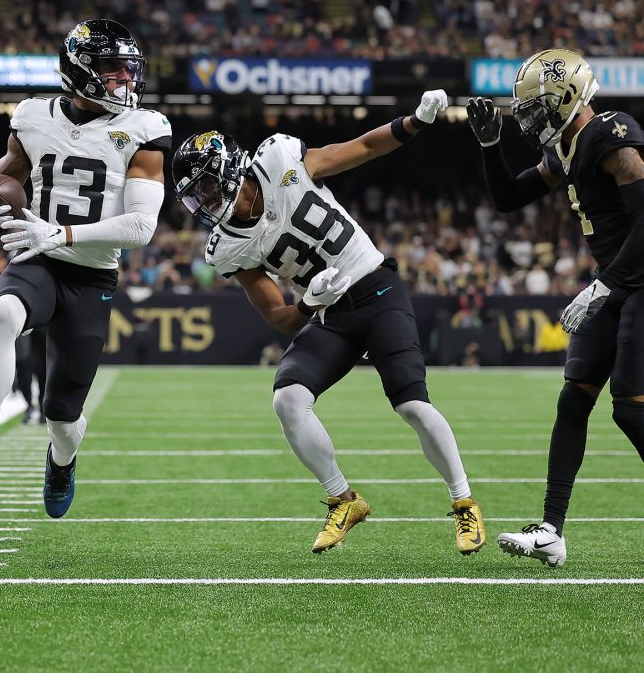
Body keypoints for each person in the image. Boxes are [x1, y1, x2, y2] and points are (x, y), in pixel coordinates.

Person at [172, 89, 486, 556]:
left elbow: (361, 148)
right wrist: (309, 304)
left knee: (412, 406)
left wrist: (414, 121)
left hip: (376, 288)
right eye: (196, 196)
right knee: (288, 400)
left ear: (229, 169)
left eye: (205, 187)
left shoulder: (280, 160)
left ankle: (464, 503)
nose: (204, 202)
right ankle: (344, 500)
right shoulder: (228, 246)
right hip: (329, 311)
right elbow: (279, 318)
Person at [0, 19, 171, 519]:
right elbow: (3, 179)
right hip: (37, 258)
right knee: (3, 314)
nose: (124, 79)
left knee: (62, 418)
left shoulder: (145, 130)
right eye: (112, 69)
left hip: (91, 275)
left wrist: (62, 233)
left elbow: (140, 227)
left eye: (127, 68)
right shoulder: (32, 116)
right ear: (80, 70)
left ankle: (62, 462)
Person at [469, 49, 644, 567]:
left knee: (631, 406)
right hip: (617, 283)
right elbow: (507, 197)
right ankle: (551, 529)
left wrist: (604, 286)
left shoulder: (610, 135)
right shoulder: (564, 149)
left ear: (567, 99)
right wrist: (490, 146)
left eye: (535, 109)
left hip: (637, 282)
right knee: (574, 401)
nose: (529, 119)